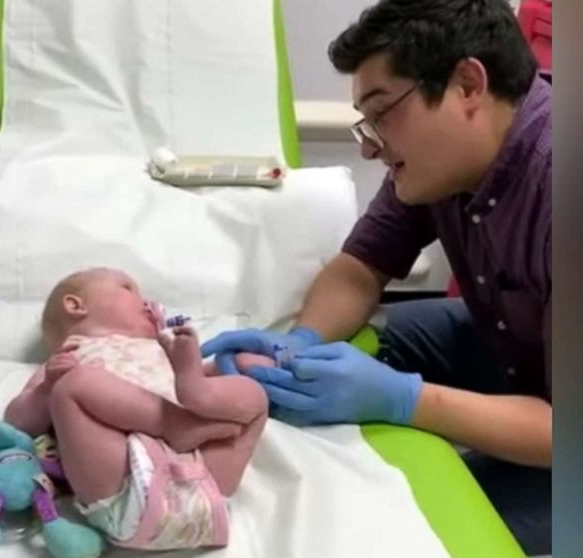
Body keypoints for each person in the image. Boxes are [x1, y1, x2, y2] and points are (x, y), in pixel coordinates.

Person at [201, 0, 551, 553]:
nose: (369, 145)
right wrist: (299, 343)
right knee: (375, 343)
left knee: (408, 526)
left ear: (467, 85)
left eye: (383, 113)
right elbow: (361, 265)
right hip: (523, 349)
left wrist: (405, 402)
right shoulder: (443, 163)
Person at [5, 267, 269, 550]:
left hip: (207, 480)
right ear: (76, 306)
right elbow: (16, 421)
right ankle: (174, 424)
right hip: (125, 489)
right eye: (128, 288)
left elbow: (197, 384)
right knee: (74, 385)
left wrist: (229, 367)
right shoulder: (67, 358)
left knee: (253, 395)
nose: (147, 301)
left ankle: (197, 396)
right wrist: (47, 389)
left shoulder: (159, 351)